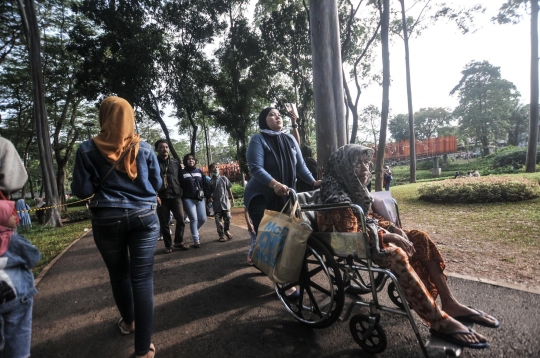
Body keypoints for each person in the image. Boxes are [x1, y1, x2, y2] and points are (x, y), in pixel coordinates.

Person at [317, 144, 499, 349]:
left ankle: (450, 303)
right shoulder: (336, 195)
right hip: (348, 243)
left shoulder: (356, 189)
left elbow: (369, 219)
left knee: (419, 238)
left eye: (365, 162)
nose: (365, 168)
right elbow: (352, 233)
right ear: (344, 167)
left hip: (369, 236)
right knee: (396, 255)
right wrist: (388, 237)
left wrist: (394, 229)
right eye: (357, 164)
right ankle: (438, 320)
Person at [71, 96, 160, 358]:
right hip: (144, 217)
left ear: (105, 116)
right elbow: (156, 184)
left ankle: (128, 322)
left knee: (119, 275)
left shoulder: (86, 149)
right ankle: (143, 350)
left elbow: (82, 190)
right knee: (142, 279)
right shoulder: (144, 148)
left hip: (107, 218)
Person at [244, 107, 322, 299]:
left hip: (285, 195)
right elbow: (255, 168)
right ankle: (283, 283)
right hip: (261, 195)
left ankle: (261, 256)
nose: (277, 116)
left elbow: (301, 166)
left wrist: (313, 182)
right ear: (264, 120)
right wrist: (274, 184)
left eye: (279, 114)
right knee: (273, 235)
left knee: (286, 235)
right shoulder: (258, 139)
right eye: (272, 114)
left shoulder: (290, 139)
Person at [0, 200, 41, 358]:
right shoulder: (13, 240)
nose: (15, 216)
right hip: (17, 295)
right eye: (10, 214)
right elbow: (33, 258)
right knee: (18, 332)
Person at [154, 139, 189, 254]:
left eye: (166, 147)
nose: (164, 149)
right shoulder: (154, 163)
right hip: (161, 197)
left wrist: (183, 192)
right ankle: (168, 245)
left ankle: (178, 241)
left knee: (181, 219)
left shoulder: (175, 162)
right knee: (164, 223)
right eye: (161, 147)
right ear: (157, 150)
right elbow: (150, 179)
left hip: (176, 195)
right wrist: (155, 195)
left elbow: (180, 178)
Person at [180, 153, 211, 248]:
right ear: (185, 161)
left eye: (192, 159)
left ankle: (195, 231)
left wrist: (208, 195)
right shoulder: (182, 172)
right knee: (194, 219)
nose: (191, 160)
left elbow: (204, 184)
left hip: (200, 198)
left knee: (202, 219)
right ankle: (196, 240)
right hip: (188, 198)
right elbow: (180, 185)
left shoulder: (199, 171)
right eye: (189, 159)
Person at [208, 163, 235, 243]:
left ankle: (226, 230)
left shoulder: (224, 178)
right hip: (216, 204)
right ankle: (221, 235)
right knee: (218, 221)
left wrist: (232, 199)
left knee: (228, 218)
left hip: (225, 203)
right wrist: (210, 199)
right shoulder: (210, 182)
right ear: (211, 170)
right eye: (213, 167)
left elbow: (229, 189)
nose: (216, 168)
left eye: (217, 167)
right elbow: (209, 193)